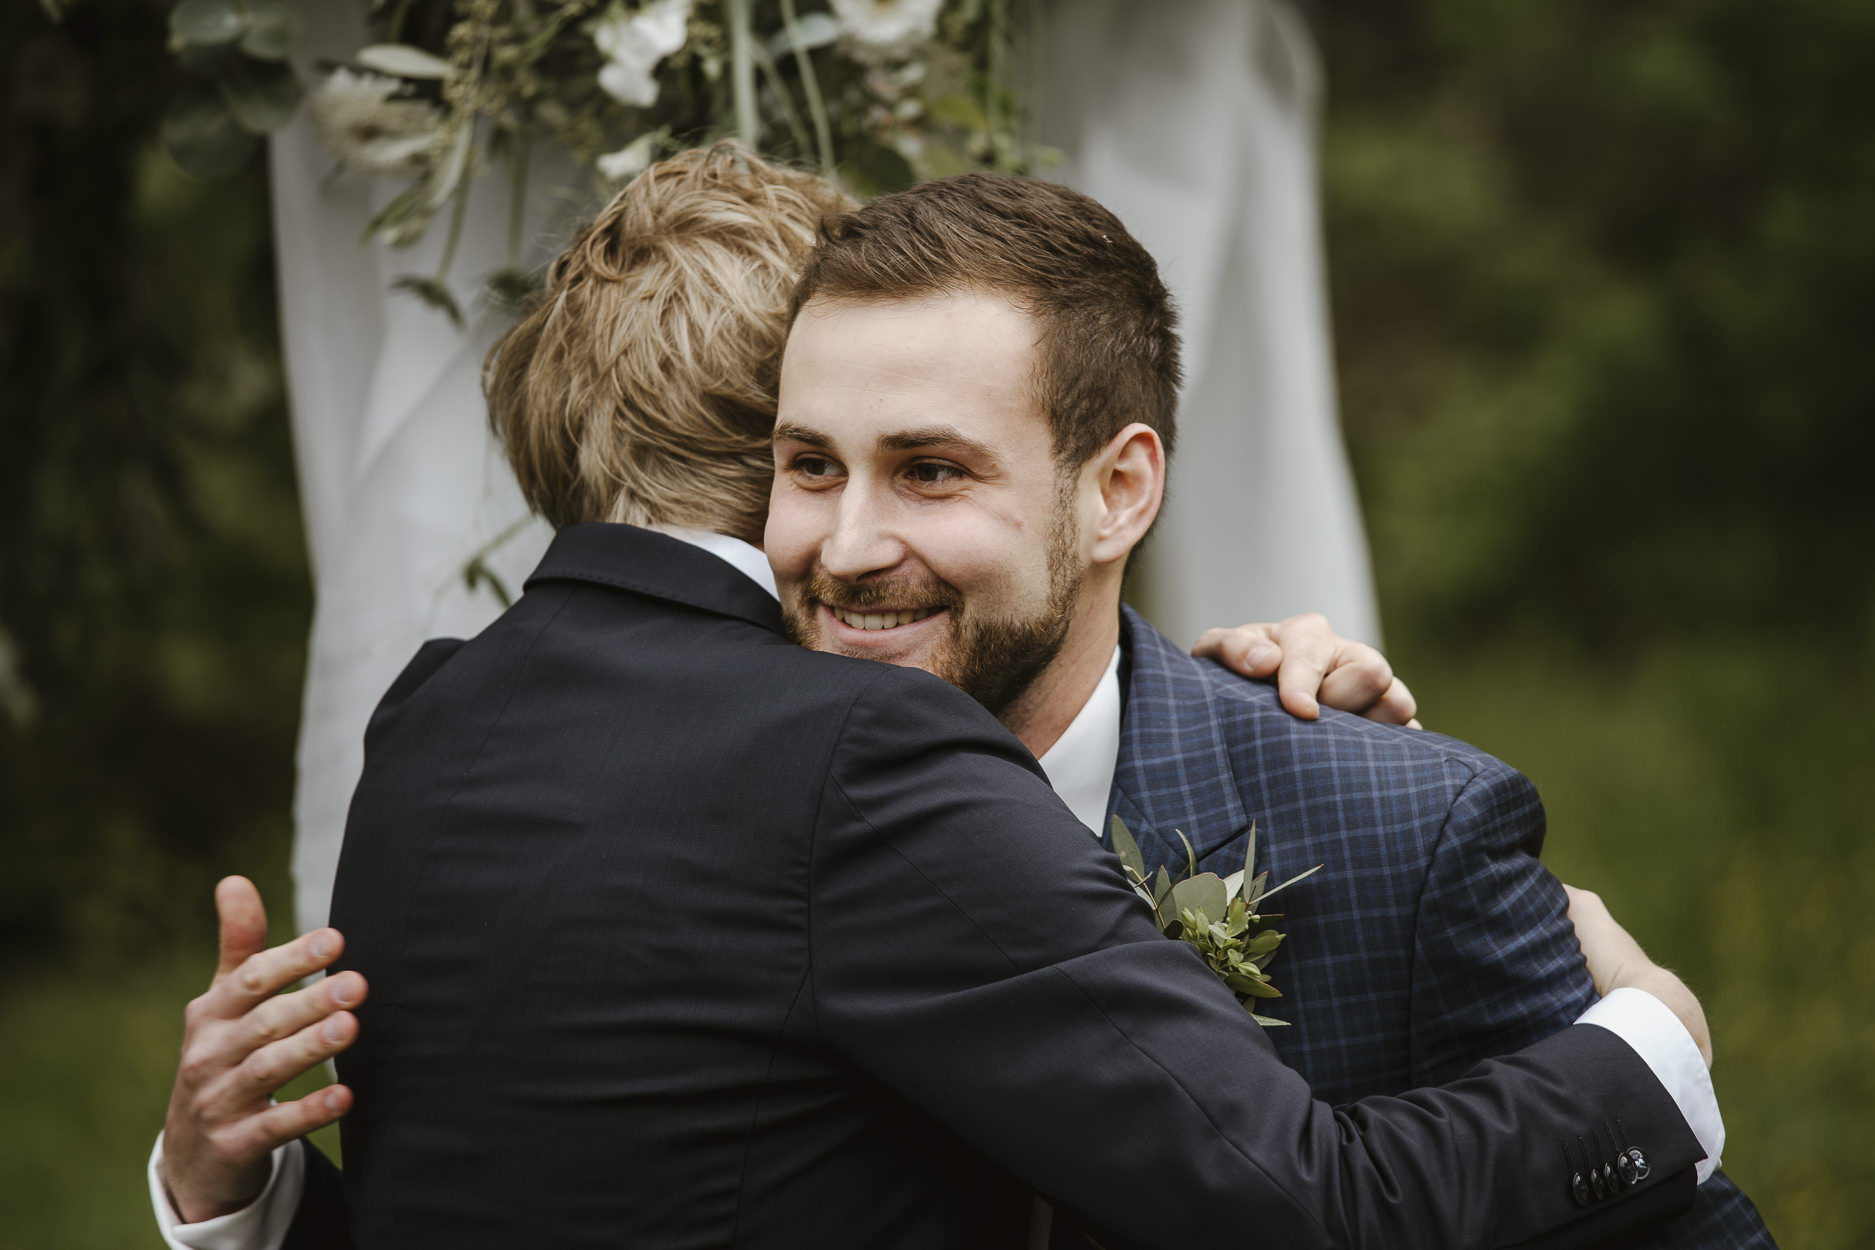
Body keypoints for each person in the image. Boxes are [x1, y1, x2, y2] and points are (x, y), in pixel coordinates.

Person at [152, 149, 1718, 1249]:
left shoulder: (1396, 812)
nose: (844, 542)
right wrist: (1653, 1042)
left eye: (930, 467)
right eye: (806, 463)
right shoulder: (797, 767)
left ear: (1116, 493)